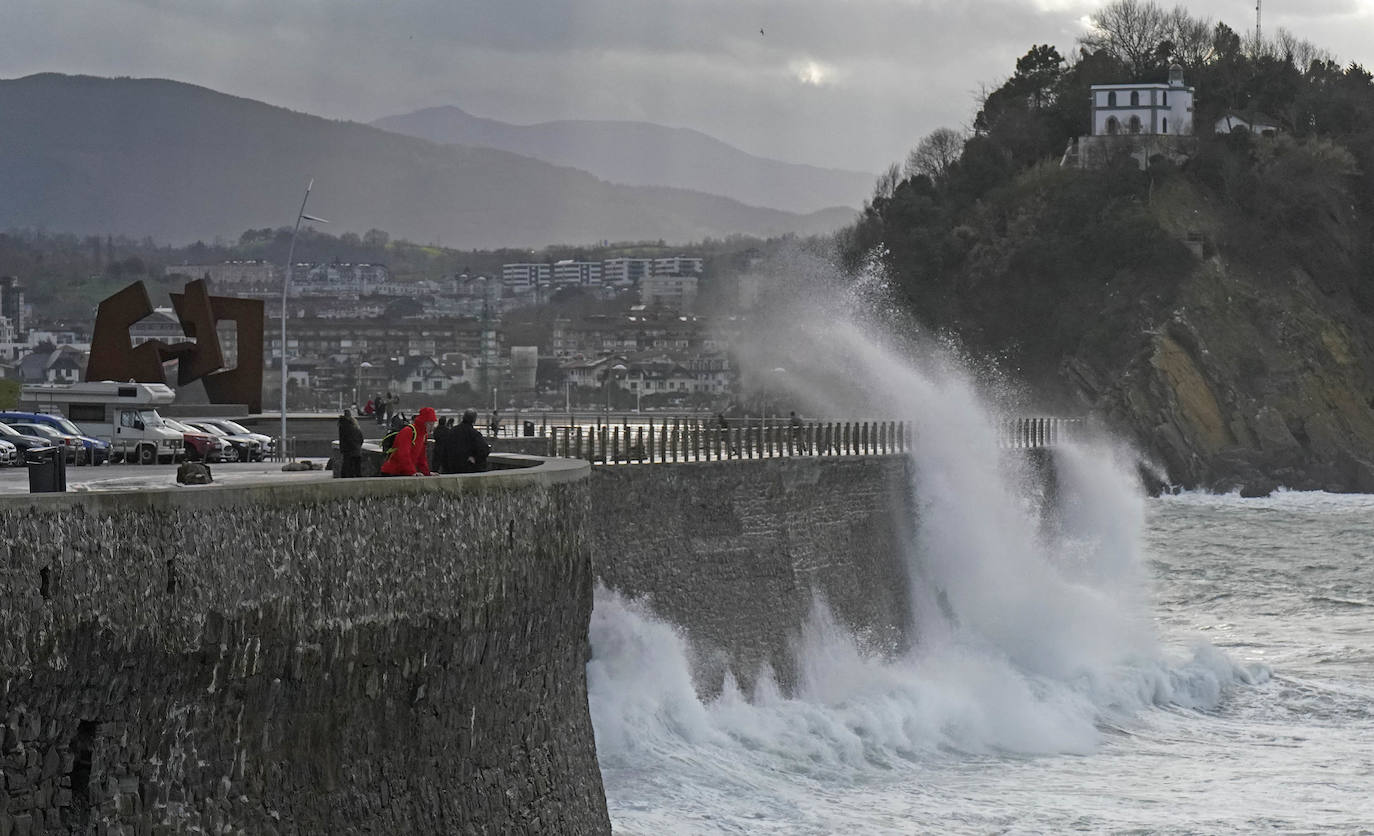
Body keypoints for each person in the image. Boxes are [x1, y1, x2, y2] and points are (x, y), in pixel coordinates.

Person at [380, 406, 438, 476]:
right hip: (393, 472)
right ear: (423, 422)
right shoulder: (408, 431)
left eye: (433, 424)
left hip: (405, 472)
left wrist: (426, 473)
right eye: (429, 424)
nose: (432, 427)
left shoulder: (423, 435)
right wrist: (411, 472)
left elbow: (421, 457)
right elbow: (403, 454)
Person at [451, 408, 491, 473]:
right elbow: (484, 450)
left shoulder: (452, 431)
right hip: (468, 468)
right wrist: (475, 458)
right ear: (474, 420)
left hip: (453, 467)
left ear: (463, 417)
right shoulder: (474, 433)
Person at [337, 408, 364, 478]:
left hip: (348, 450)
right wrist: (357, 446)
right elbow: (361, 439)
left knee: (347, 468)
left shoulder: (342, 425)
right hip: (355, 450)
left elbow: (345, 438)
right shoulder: (354, 426)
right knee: (356, 469)